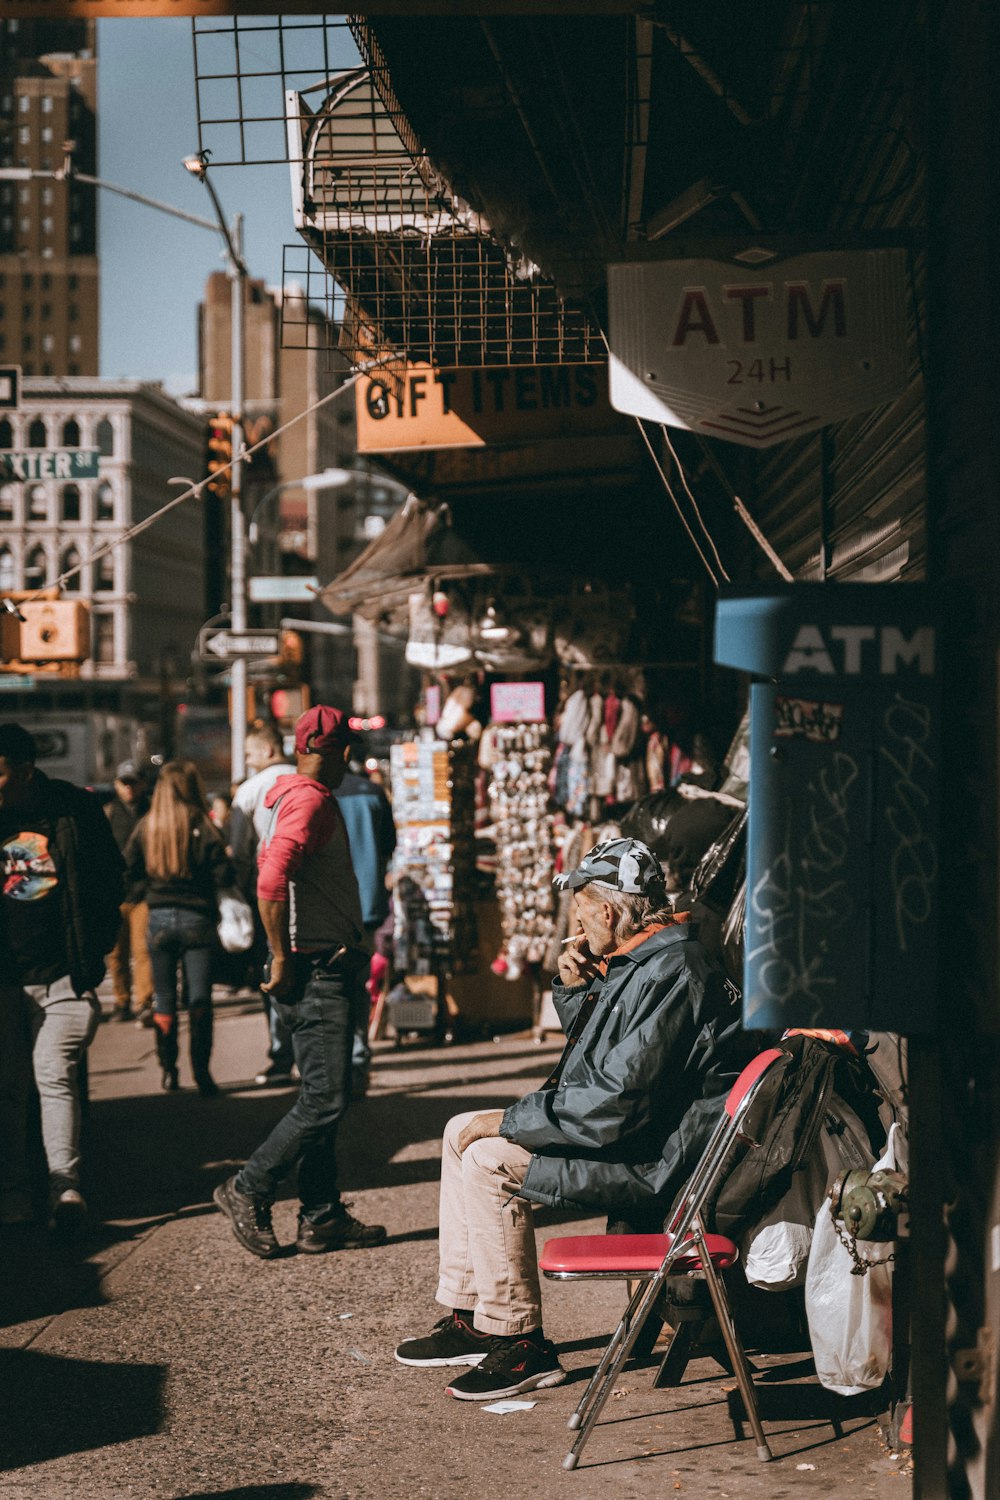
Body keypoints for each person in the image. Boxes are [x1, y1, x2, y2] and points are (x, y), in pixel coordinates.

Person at [393, 837, 753, 1401]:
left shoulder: (674, 970)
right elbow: (604, 1064)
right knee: (456, 1131)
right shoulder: (647, 959)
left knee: (488, 1158)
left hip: (650, 1159)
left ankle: (521, 1340)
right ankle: (471, 1317)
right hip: (635, 1136)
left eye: (582, 912)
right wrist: (579, 990)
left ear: (608, 911)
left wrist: (511, 1120)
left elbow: (614, 1103)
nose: (579, 925)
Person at [213, 704, 386, 1259]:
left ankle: (322, 1214)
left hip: (320, 966)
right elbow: (270, 876)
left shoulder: (295, 794)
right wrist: (281, 956)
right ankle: (249, 1187)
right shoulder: (308, 799)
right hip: (315, 971)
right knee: (324, 1099)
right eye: (343, 753)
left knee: (323, 1093)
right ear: (335, 752)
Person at [0, 722, 123, 1230]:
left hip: (61, 977)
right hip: (5, 981)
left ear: (24, 771)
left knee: (54, 1077)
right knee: (9, 1090)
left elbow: (109, 880)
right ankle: (14, 1194)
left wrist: (90, 959)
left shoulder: (73, 810)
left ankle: (64, 1191)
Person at [124, 760, 233, 1096]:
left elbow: (128, 870)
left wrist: (149, 892)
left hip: (157, 918)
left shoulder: (147, 825)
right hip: (196, 919)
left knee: (164, 999)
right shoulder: (200, 823)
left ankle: (169, 1070)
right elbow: (223, 874)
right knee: (200, 999)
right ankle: (202, 1073)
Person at [229, 722, 296, 1084]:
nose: (248, 761)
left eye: (251, 754)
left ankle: (281, 1053)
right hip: (306, 891)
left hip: (265, 891)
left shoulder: (250, 791)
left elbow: (239, 850)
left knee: (273, 971)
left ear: (268, 751)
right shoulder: (306, 782)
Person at [333, 751, 396, 1094]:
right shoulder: (372, 794)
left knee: (331, 986)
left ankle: (336, 1069)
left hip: (329, 903)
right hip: (366, 902)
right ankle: (357, 1063)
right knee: (359, 985)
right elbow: (389, 845)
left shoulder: (317, 791)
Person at [103, 759, 154, 1024]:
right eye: (124, 783)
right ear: (116, 785)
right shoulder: (109, 813)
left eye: (133, 782)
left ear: (143, 783)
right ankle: (122, 1001)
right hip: (115, 893)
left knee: (143, 950)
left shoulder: (152, 811)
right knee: (116, 953)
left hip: (144, 891)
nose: (129, 788)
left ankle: (144, 1002)